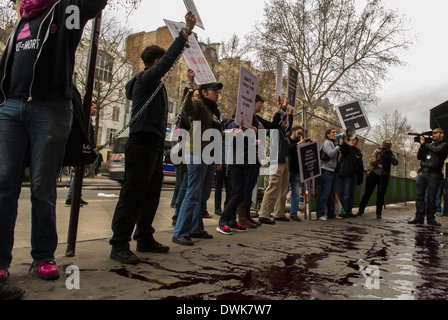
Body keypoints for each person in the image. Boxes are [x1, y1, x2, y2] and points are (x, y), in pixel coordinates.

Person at [0, 0, 107, 282]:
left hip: (48, 107)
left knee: (42, 186)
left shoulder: (66, 10)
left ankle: (43, 256)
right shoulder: (22, 19)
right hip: (10, 106)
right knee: (4, 184)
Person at [109, 12, 197, 264]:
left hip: (154, 144)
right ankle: (119, 243)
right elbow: (166, 63)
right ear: (156, 61)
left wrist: (189, 87)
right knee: (133, 194)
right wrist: (183, 35)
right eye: (163, 63)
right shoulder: (146, 80)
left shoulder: (154, 85)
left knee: (151, 194)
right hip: (141, 144)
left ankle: (144, 236)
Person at [172, 69, 223, 246]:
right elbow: (186, 108)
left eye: (218, 90)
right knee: (193, 193)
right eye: (214, 90)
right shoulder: (199, 105)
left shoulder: (213, 111)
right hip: (197, 153)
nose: (217, 92)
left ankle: (196, 228)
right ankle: (180, 232)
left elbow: (217, 134)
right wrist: (189, 84)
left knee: (203, 194)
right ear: (204, 92)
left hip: (209, 155)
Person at [257, 97, 294, 225]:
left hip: (283, 159)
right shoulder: (274, 130)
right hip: (276, 158)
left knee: (283, 188)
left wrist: (290, 114)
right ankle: (264, 214)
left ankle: (279, 213)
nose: (285, 123)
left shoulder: (283, 133)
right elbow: (276, 121)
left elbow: (289, 127)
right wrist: (281, 108)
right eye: (284, 121)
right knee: (273, 185)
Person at [408, 128, 448, 226]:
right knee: (419, 196)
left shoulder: (444, 144)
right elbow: (419, 157)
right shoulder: (429, 145)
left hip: (434, 174)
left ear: (442, 134)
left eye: (435, 133)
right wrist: (422, 146)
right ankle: (419, 216)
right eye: (433, 133)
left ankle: (430, 218)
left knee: (431, 198)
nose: (433, 135)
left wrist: (425, 144)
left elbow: (436, 150)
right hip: (423, 173)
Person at [65, 102, 97, 206]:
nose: (95, 110)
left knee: (80, 174)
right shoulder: (85, 120)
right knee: (79, 174)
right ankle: (72, 196)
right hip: (84, 150)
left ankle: (76, 196)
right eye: (94, 107)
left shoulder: (86, 120)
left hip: (85, 149)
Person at [357, 140, 398, 219]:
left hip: (384, 175)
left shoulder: (390, 153)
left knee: (381, 195)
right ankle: (361, 210)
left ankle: (379, 213)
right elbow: (372, 161)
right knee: (368, 193)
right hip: (373, 174)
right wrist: (379, 158)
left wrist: (392, 158)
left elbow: (395, 163)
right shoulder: (377, 151)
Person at [316, 129, 344, 221]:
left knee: (331, 194)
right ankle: (320, 213)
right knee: (325, 193)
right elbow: (331, 154)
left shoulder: (333, 144)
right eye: (333, 132)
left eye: (336, 132)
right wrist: (339, 145)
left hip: (333, 170)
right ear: (328, 135)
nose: (335, 134)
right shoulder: (327, 143)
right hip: (327, 170)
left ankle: (331, 213)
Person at [287, 125, 311, 221]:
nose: (299, 136)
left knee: (296, 193)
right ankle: (278, 212)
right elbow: (288, 150)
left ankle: (293, 213)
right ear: (293, 131)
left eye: (301, 134)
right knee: (282, 192)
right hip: (288, 170)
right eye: (298, 133)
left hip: (296, 171)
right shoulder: (287, 140)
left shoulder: (300, 143)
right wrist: (298, 144)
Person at [338, 136, 364, 218]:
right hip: (347, 174)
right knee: (346, 194)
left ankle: (349, 211)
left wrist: (360, 178)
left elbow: (360, 166)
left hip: (354, 175)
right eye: (351, 140)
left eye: (354, 140)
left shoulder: (358, 152)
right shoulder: (347, 149)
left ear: (357, 142)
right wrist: (344, 136)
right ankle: (343, 211)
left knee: (352, 194)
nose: (353, 141)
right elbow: (343, 147)